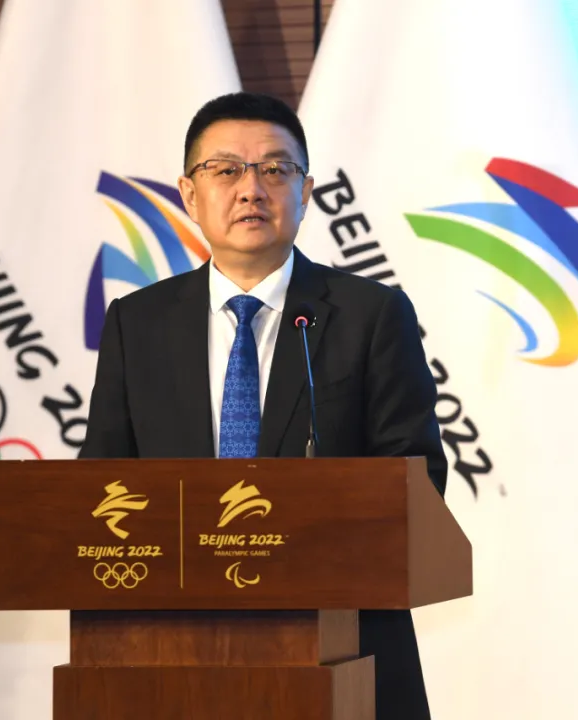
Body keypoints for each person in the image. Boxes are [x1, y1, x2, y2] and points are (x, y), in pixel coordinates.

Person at [79, 91, 447, 720]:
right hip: (173, 649)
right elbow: (103, 481)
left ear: (306, 193)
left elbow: (415, 477)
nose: (251, 189)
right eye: (226, 170)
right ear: (189, 194)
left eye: (276, 169)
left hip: (343, 648)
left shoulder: (371, 314)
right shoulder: (137, 323)